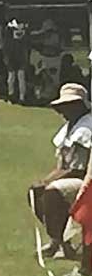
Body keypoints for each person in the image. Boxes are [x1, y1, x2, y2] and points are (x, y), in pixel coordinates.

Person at [30, 84, 92, 259]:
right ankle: (59, 240)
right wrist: (44, 181)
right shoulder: (69, 127)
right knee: (36, 191)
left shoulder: (86, 128)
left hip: (87, 181)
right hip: (75, 177)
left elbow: (78, 169)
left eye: (66, 106)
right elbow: (61, 166)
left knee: (52, 193)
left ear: (78, 106)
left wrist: (48, 182)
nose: (61, 111)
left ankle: (60, 242)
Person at [0, 3, 31, 104]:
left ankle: (21, 96)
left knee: (20, 76)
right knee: (12, 76)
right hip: (13, 52)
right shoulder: (10, 26)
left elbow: (26, 40)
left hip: (20, 52)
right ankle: (12, 95)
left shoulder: (22, 26)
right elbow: (6, 41)